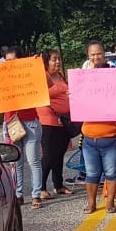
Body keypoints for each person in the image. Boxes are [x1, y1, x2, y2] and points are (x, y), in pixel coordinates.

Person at [1, 47, 43, 205]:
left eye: (14, 61)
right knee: (16, 162)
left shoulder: (29, 74)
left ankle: (36, 195)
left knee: (33, 161)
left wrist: (36, 65)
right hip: (11, 122)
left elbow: (45, 82)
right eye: (8, 61)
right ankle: (18, 194)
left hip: (30, 121)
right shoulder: (0, 78)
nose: (11, 64)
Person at [34, 50, 73, 207]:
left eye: (58, 59)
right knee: (49, 154)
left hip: (63, 120)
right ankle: (42, 187)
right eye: (53, 60)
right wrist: (63, 90)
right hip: (47, 120)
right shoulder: (42, 76)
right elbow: (42, 93)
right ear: (46, 62)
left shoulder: (61, 76)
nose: (57, 62)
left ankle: (59, 184)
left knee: (59, 153)